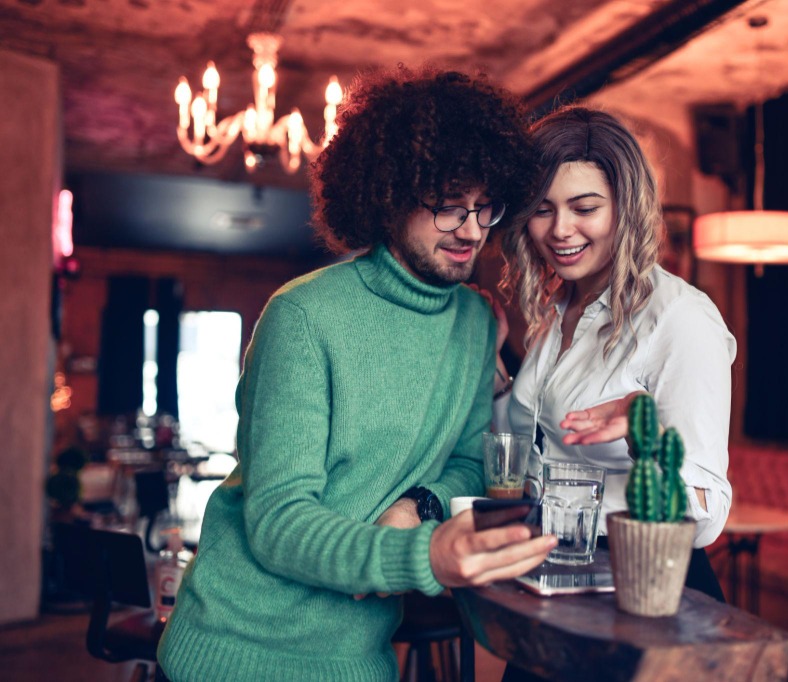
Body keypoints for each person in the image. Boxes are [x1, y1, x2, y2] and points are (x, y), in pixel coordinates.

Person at [157, 67, 555, 682]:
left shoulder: (477, 322)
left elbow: (471, 462)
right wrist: (426, 553)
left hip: (361, 660)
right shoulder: (303, 316)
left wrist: (415, 505)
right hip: (237, 652)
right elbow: (278, 523)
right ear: (391, 194)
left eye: (485, 208)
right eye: (449, 207)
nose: (472, 230)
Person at [500, 106, 736, 596]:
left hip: (641, 583)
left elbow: (709, 517)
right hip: (556, 570)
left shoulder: (680, 318)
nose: (560, 229)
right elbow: (529, 452)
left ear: (626, 208)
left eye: (585, 208)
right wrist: (490, 358)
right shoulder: (556, 307)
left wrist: (644, 439)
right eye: (542, 209)